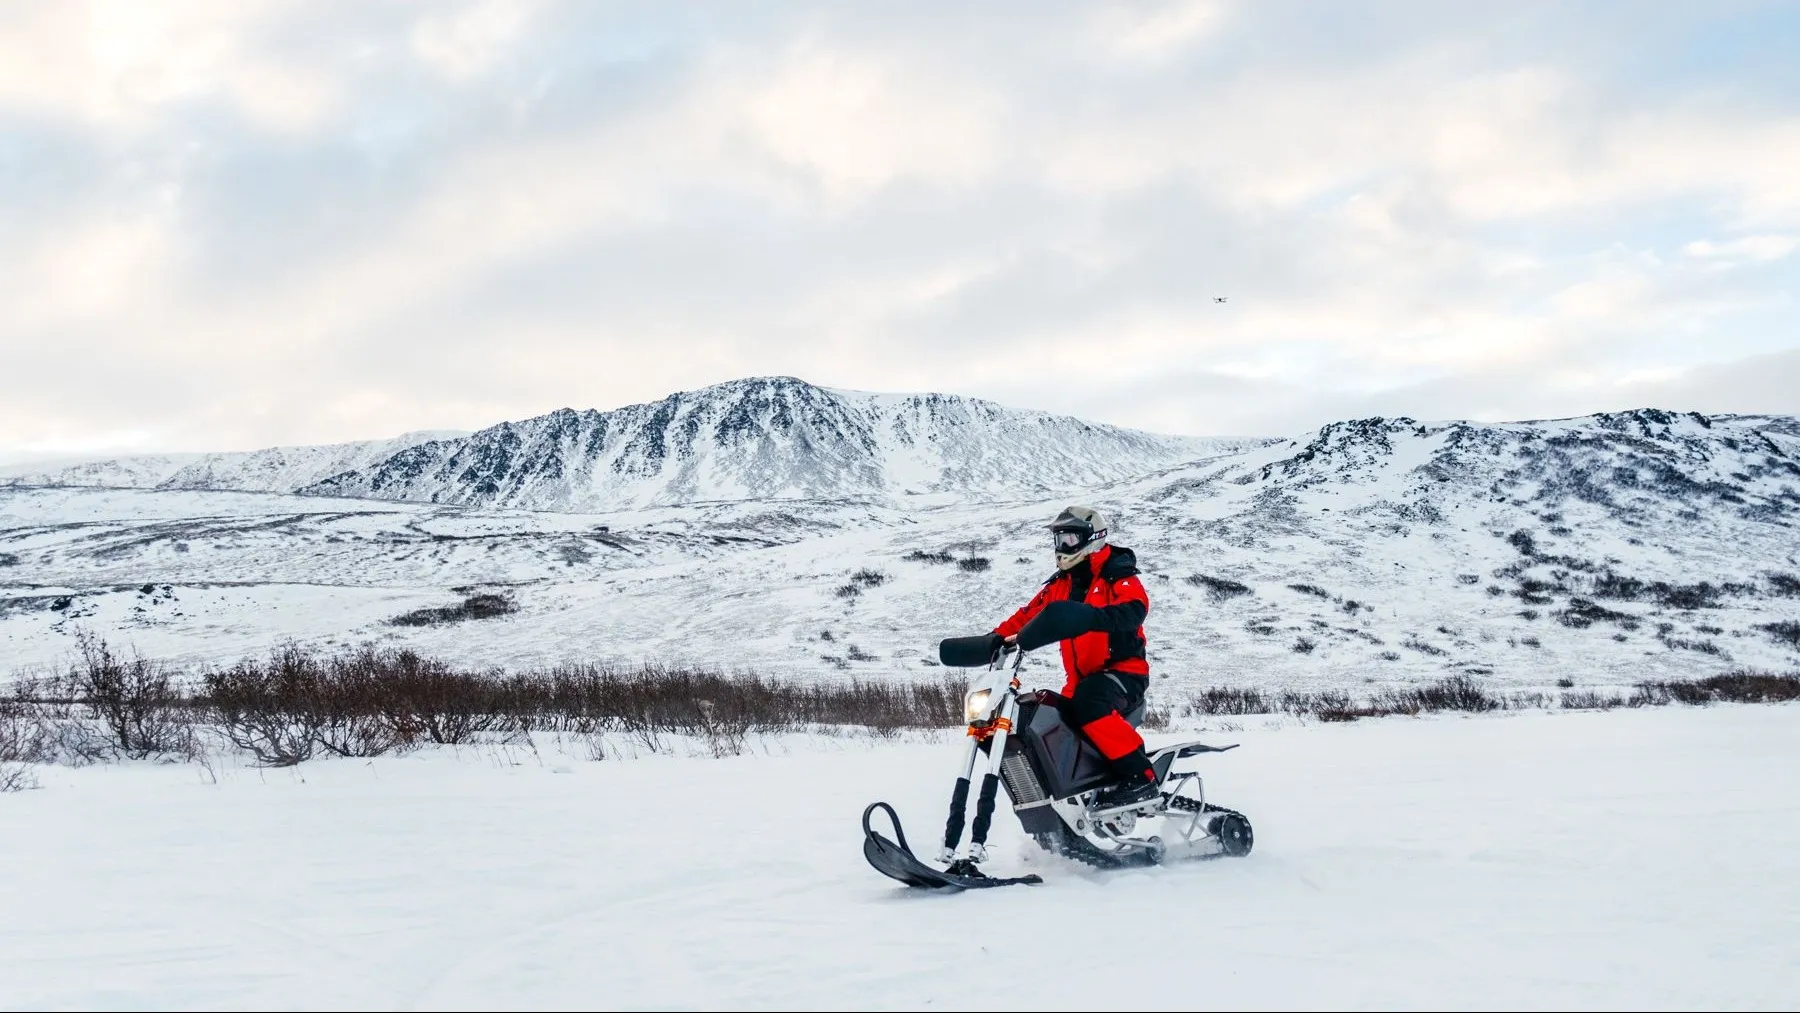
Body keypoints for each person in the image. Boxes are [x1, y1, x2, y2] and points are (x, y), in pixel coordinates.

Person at [993, 505, 1159, 809]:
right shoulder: (1060, 585)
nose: (1062, 548)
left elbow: (1135, 608)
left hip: (1124, 673)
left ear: (1092, 537)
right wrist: (994, 638)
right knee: (1044, 717)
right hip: (1081, 681)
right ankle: (1069, 795)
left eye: (1069, 539)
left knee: (1088, 703)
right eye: (1059, 540)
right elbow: (1027, 616)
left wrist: (1092, 617)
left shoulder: (1117, 573)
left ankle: (1141, 776)